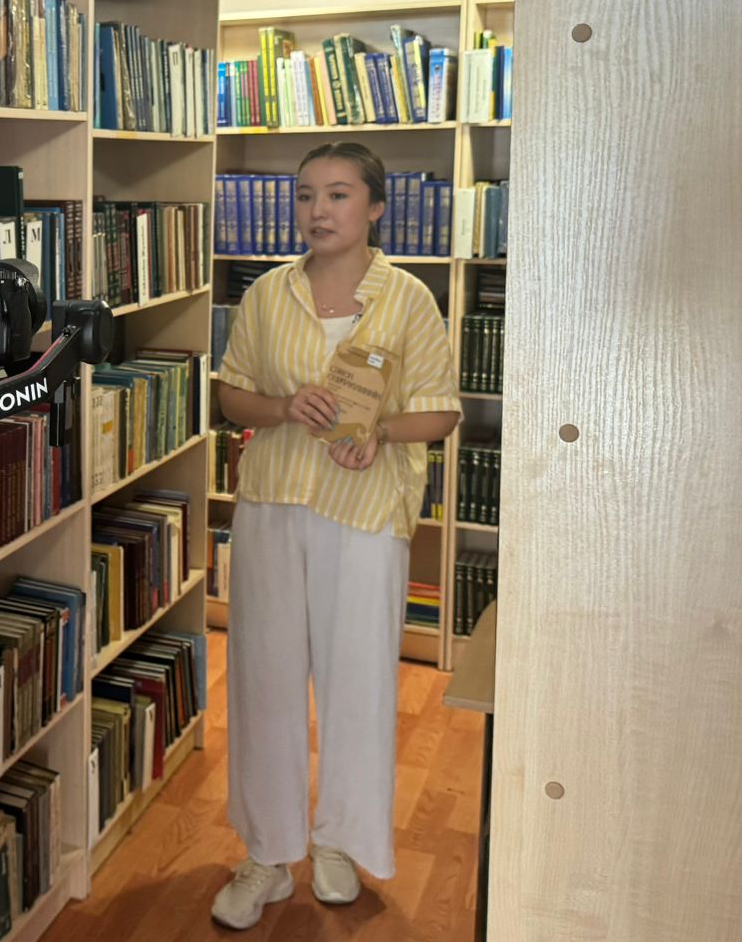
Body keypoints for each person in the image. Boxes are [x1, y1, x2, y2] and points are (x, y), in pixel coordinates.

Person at [209, 142, 461, 931]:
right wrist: (285, 407)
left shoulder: (409, 299)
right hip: (273, 506)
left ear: (375, 207)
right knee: (264, 684)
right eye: (306, 195)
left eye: (339, 194)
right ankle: (267, 853)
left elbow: (442, 412)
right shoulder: (266, 294)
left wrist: (381, 431)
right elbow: (231, 396)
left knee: (359, 685)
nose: (319, 210)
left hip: (365, 513)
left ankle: (341, 844)